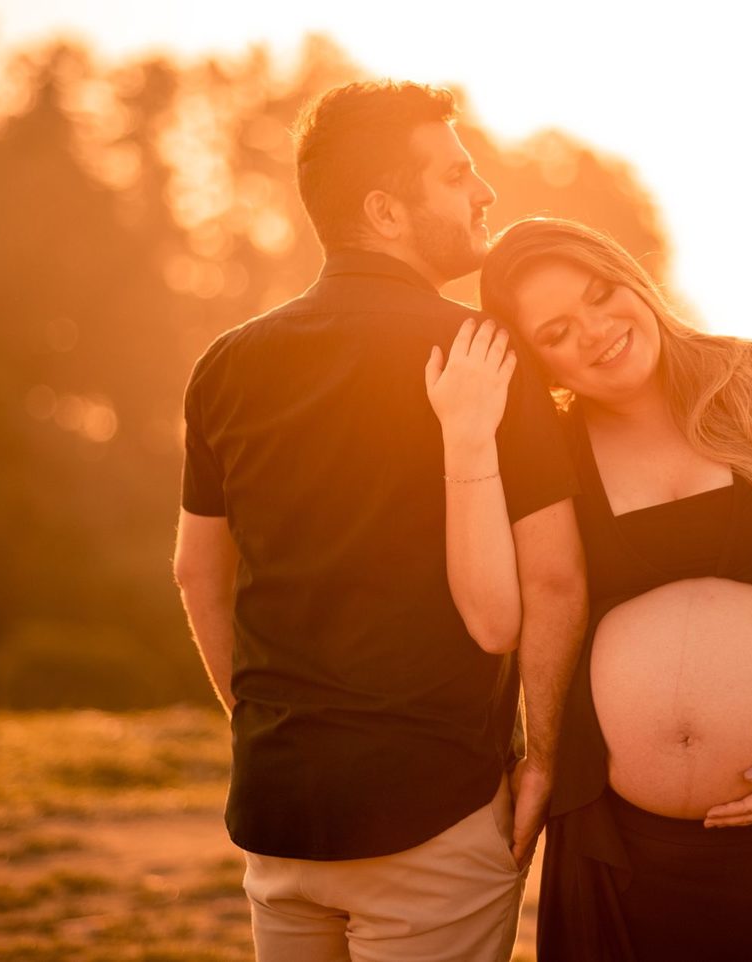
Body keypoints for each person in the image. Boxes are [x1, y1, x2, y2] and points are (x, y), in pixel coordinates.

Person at [172, 83, 587, 962]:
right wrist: (543, 758)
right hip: (433, 815)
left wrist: (258, 724)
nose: (483, 193)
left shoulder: (225, 366)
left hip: (279, 816)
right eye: (455, 174)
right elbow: (552, 577)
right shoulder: (487, 355)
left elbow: (195, 574)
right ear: (384, 210)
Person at [430, 217, 752, 961]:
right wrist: (544, 761)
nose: (595, 331)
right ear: (541, 364)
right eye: (558, 331)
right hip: (618, 839)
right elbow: (542, 603)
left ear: (634, 277)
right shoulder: (556, 450)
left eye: (601, 294)